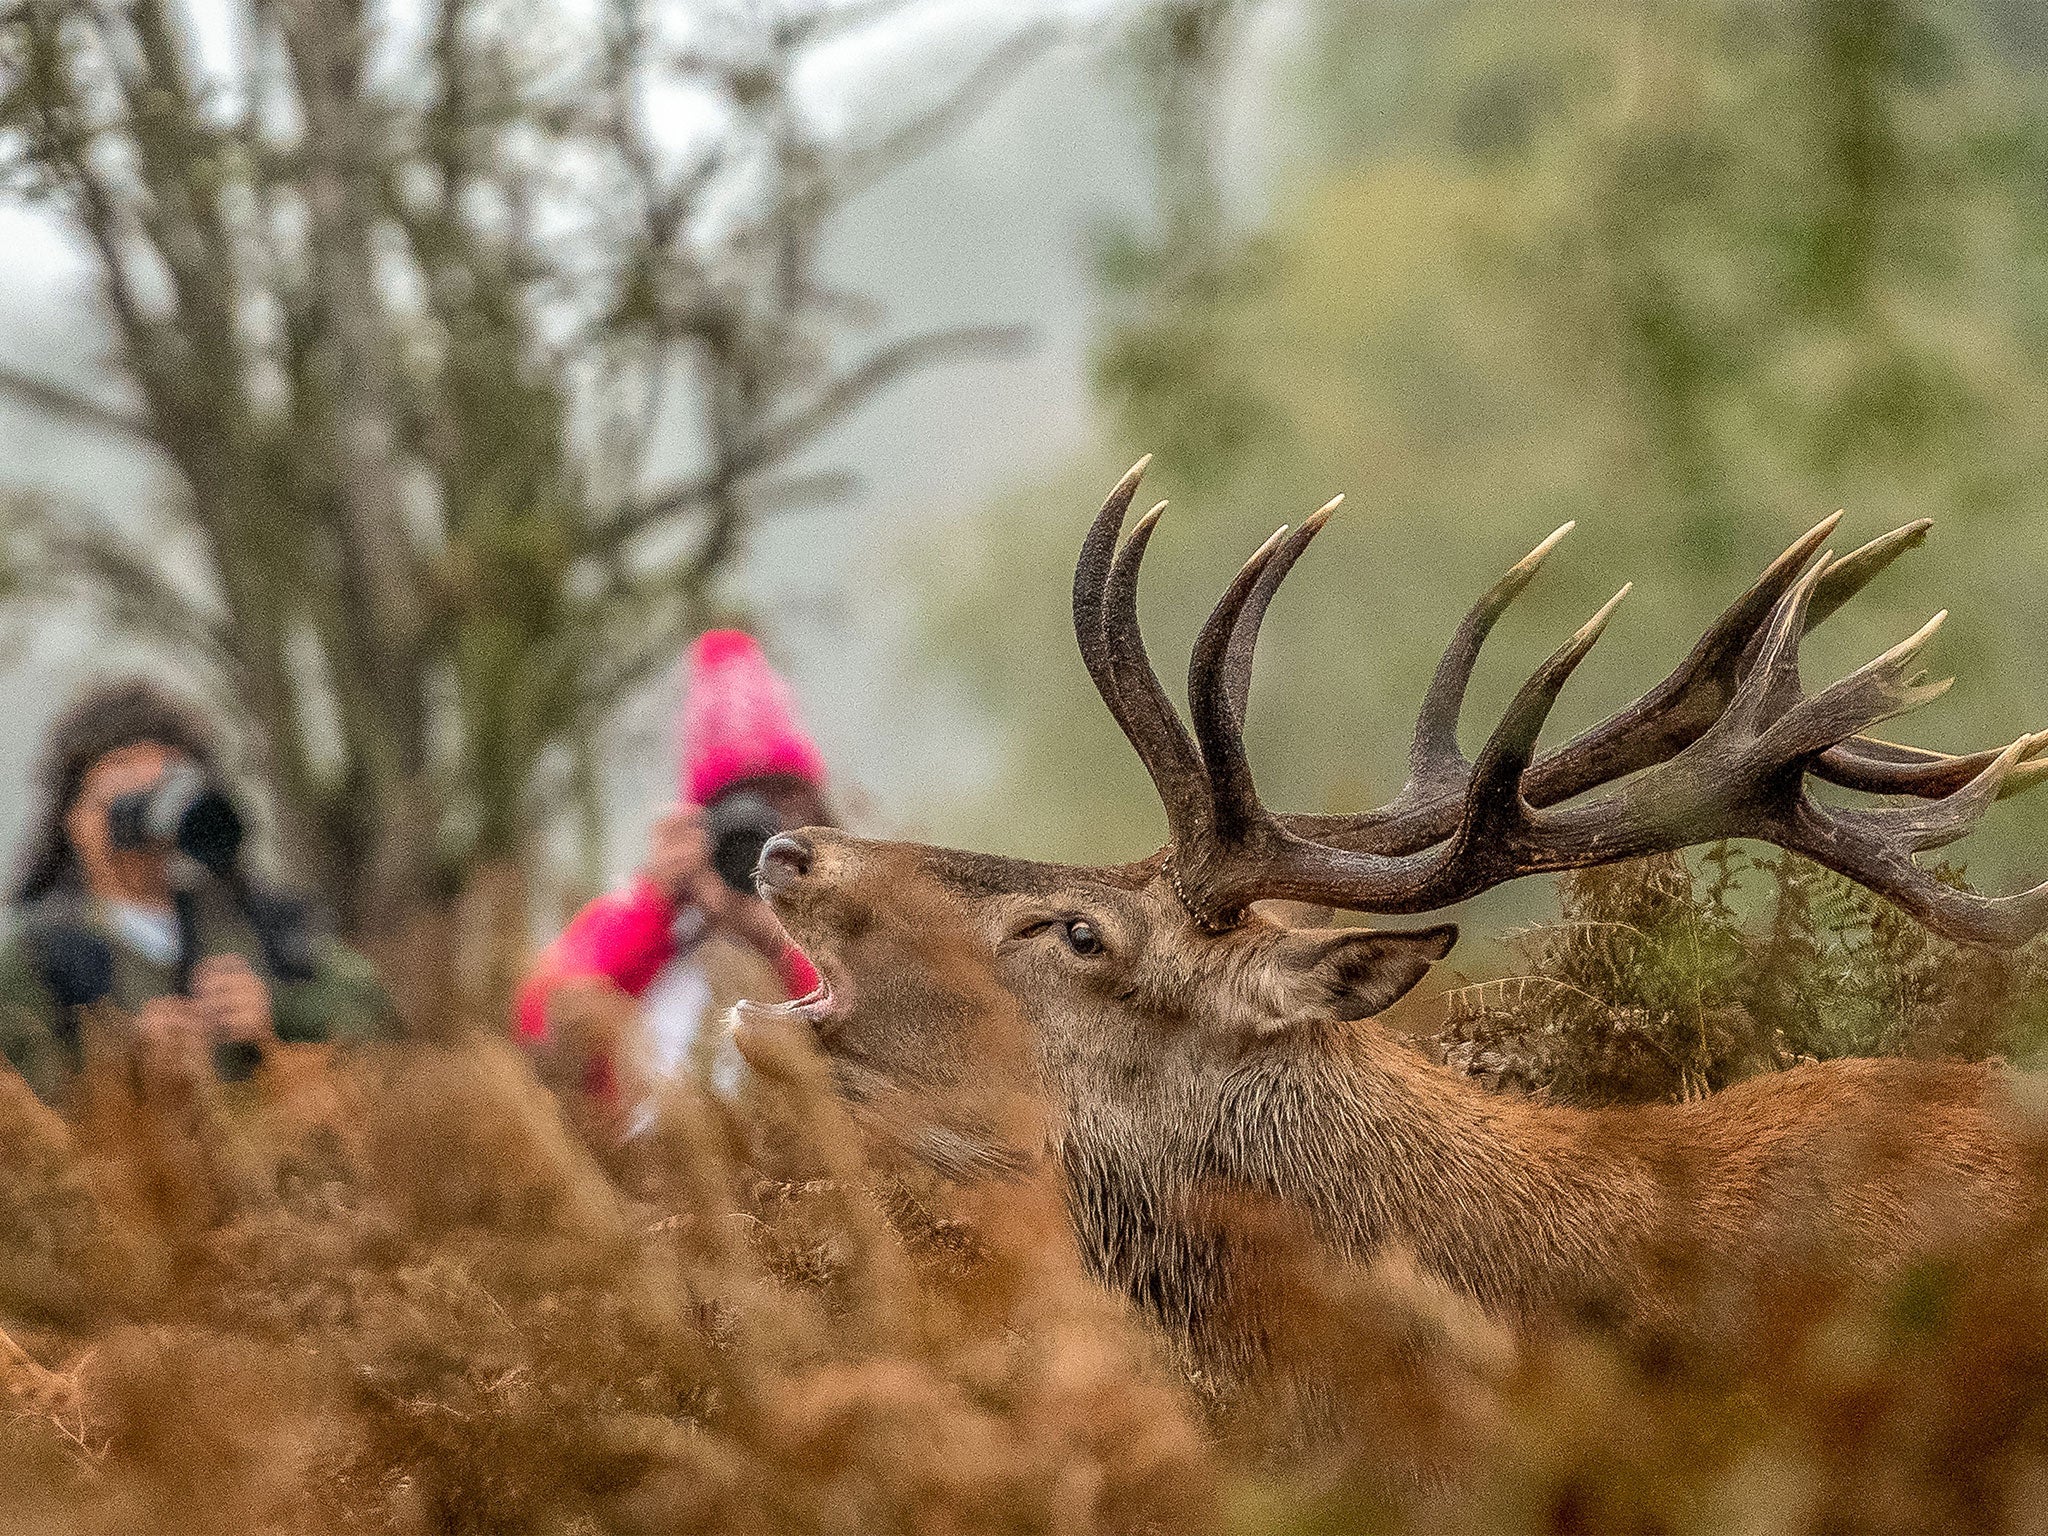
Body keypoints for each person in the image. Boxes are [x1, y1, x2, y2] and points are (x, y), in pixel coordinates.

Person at [0, 679, 398, 1107]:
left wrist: (275, 1019)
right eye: (121, 769)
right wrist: (122, 1067)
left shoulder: (261, 926)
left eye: (168, 774)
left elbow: (385, 1035)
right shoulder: (35, 958)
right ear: (75, 818)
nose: (149, 789)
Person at [515, 630, 827, 1129]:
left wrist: (778, 941)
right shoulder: (651, 917)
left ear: (816, 808)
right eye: (737, 805)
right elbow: (541, 1024)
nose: (761, 832)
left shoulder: (860, 918)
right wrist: (655, 907)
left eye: (779, 800)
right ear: (700, 821)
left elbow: (891, 1044)